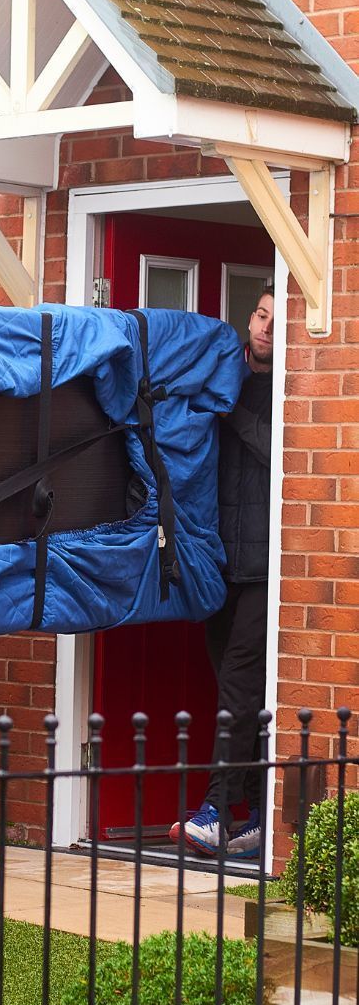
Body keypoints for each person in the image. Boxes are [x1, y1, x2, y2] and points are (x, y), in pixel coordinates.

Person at [175, 284, 274, 860]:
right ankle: (256, 809)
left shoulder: (287, 387)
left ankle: (214, 811)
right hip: (219, 565)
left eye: (274, 319)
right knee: (238, 691)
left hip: (268, 571)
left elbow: (278, 448)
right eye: (259, 315)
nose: (262, 327)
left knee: (238, 685)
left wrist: (229, 405)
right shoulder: (220, 373)